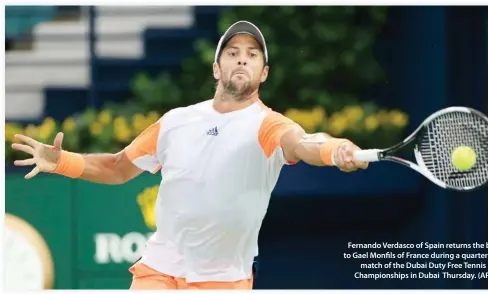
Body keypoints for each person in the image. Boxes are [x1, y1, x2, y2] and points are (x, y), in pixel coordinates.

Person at [11, 20, 368, 290]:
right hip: (158, 271)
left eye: (252, 55)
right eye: (232, 53)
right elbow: (119, 167)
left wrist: (335, 150)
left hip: (224, 280)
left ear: (264, 73)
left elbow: (304, 143)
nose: (242, 60)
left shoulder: (269, 126)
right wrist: (61, 161)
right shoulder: (175, 122)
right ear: (216, 69)